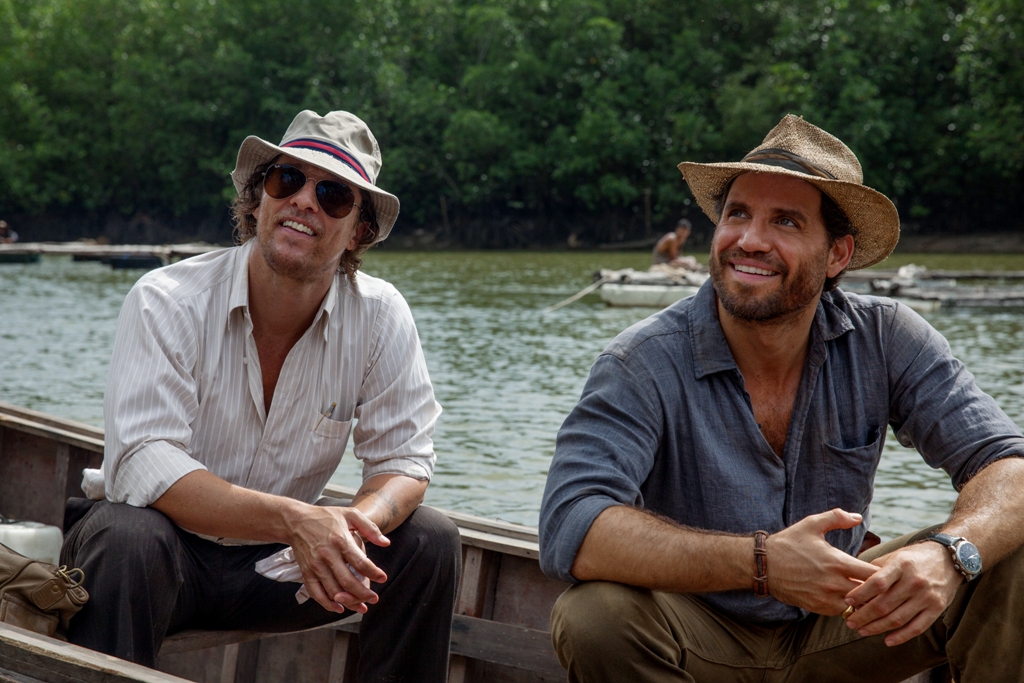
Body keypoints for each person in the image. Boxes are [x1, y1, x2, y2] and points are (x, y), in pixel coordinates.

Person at [539, 114, 1024, 682]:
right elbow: (571, 522)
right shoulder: (639, 361)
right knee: (593, 615)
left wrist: (948, 553)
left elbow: (1007, 466)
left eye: (785, 221)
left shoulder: (888, 336)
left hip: (844, 624)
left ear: (837, 255)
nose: (749, 240)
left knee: (1003, 551)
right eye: (737, 214)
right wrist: (763, 563)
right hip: (696, 634)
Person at [61, 110, 461, 683]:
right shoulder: (166, 299)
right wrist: (295, 521)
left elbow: (405, 462)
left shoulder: (380, 316)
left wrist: (346, 529)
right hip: (159, 559)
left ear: (360, 232)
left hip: (282, 570)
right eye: (286, 180)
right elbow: (145, 460)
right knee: (127, 535)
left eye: (332, 195)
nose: (304, 201)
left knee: (429, 539)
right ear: (256, 200)